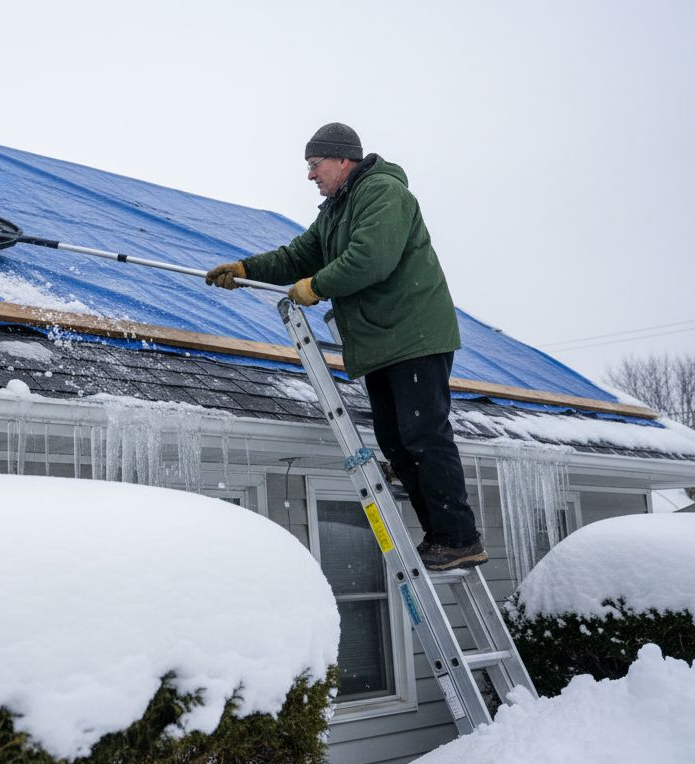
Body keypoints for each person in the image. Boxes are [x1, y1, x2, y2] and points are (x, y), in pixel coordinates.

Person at [205, 122, 485, 571]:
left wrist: (317, 286)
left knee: (423, 436)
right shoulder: (336, 211)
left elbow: (371, 258)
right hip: (380, 343)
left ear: (343, 160)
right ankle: (441, 536)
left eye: (315, 166)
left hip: (412, 335)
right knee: (397, 442)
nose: (311, 176)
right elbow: (298, 256)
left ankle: (459, 537)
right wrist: (244, 268)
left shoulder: (383, 193)